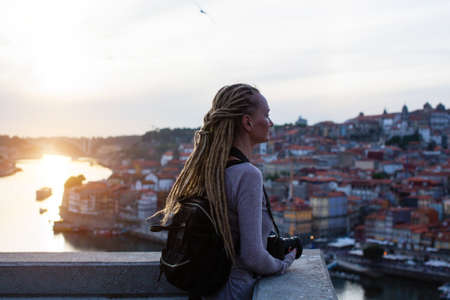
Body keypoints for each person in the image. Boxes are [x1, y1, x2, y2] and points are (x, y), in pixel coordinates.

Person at [159, 83, 296, 300]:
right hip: (236, 290)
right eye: (267, 115)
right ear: (248, 122)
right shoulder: (247, 174)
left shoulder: (210, 169)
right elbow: (252, 256)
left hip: (209, 290)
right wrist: (283, 264)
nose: (271, 123)